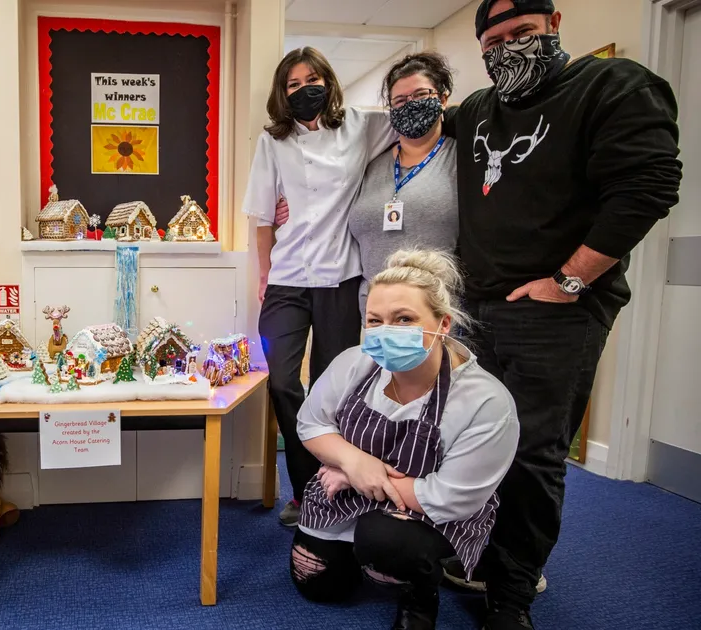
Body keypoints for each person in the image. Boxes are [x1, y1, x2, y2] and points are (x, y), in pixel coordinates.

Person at [440, 2, 682, 628]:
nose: (507, 48)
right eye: (493, 41)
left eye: (521, 33)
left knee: (531, 454)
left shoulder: (613, 86)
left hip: (554, 312)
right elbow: (415, 124)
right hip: (476, 309)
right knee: (473, 441)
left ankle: (511, 594)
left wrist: (569, 280)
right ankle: (477, 554)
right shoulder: (479, 110)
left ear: (554, 24)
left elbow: (649, 187)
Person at [291, 249, 518, 630]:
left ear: (443, 324)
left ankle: (420, 593)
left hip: (426, 511)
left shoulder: (486, 401)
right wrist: (354, 462)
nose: (386, 332)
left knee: (386, 543)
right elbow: (311, 424)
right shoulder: (354, 363)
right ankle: (366, 556)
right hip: (349, 492)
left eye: (404, 319)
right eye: (375, 321)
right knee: (318, 584)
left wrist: (358, 476)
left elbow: (451, 496)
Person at [242, 47, 396, 526]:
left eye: (312, 79)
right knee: (284, 382)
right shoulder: (274, 141)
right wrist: (264, 275)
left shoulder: (360, 125)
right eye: (293, 84)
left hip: (340, 277)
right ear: (282, 92)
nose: (304, 89)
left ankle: (331, 485)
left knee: (334, 386)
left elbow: (414, 122)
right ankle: (304, 484)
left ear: (328, 82)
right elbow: (262, 217)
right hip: (287, 277)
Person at [349, 52, 458, 316]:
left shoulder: (460, 159)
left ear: (443, 99)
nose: (410, 105)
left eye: (421, 95)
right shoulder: (372, 165)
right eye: (400, 100)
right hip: (375, 316)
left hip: (435, 316)